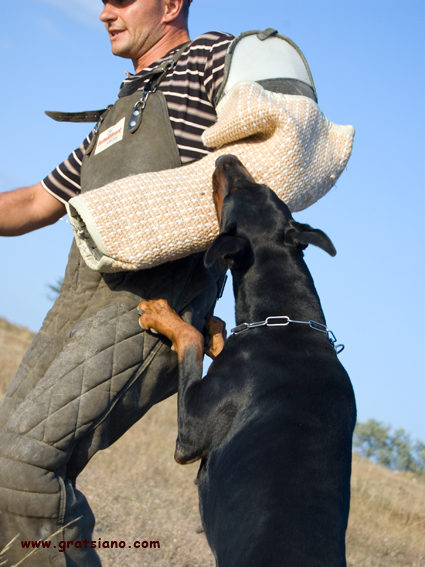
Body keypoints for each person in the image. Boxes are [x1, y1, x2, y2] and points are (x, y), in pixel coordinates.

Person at [0, 1, 234, 565]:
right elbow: (34, 202)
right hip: (78, 302)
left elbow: (271, 135)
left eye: (122, 0)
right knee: (3, 464)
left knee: (25, 467)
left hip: (152, 306)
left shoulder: (212, 56)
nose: (105, 12)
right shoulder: (116, 116)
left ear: (172, 4)